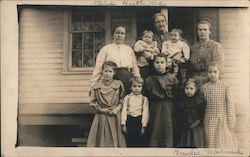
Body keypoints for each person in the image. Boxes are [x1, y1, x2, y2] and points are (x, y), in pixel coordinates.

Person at [91, 25, 141, 94]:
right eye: (117, 33)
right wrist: (93, 84)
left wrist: (138, 78)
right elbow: (98, 68)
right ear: (113, 34)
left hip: (127, 79)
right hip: (111, 79)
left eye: (122, 33)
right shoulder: (106, 49)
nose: (119, 35)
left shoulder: (129, 50)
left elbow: (135, 67)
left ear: (125, 36)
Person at [87, 61, 126, 147]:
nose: (107, 74)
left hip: (115, 114)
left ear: (114, 73)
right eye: (106, 71)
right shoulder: (96, 86)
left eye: (110, 71)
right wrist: (101, 110)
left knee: (116, 136)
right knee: (101, 137)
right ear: (102, 71)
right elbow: (93, 102)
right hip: (101, 115)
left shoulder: (118, 84)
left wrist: (117, 108)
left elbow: (122, 98)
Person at [200, 62, 238, 148]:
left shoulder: (226, 87)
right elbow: (201, 106)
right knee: (210, 140)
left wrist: (231, 120)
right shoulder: (204, 88)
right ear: (207, 73)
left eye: (215, 72)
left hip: (222, 118)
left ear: (219, 72)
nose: (212, 74)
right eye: (210, 72)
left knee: (222, 140)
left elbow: (230, 105)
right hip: (209, 118)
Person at [145, 53, 179, 147]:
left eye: (162, 62)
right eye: (157, 62)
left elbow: (177, 94)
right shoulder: (149, 79)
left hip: (169, 107)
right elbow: (146, 95)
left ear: (166, 64)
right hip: (154, 107)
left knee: (168, 128)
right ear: (153, 64)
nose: (159, 65)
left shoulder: (172, 78)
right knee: (155, 128)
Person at [188, 19, 224, 87]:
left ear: (209, 31)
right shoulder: (193, 48)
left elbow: (219, 68)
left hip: (210, 82)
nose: (202, 32)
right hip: (194, 83)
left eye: (205, 29)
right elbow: (189, 68)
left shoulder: (216, 46)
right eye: (200, 30)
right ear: (197, 31)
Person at [177, 78, 206, 148]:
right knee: (185, 145)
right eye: (187, 88)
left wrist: (194, 124)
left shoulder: (199, 101)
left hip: (196, 127)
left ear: (196, 90)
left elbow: (201, 115)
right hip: (185, 127)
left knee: (195, 144)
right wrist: (184, 123)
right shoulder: (182, 101)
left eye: (191, 89)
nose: (188, 91)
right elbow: (179, 115)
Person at [121, 77, 149, 147]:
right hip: (130, 120)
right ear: (130, 87)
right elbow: (124, 110)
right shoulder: (127, 98)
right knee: (129, 140)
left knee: (139, 141)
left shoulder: (144, 99)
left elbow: (145, 113)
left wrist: (144, 126)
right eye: (134, 86)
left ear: (142, 87)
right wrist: (123, 124)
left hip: (139, 121)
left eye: (139, 86)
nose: (137, 88)